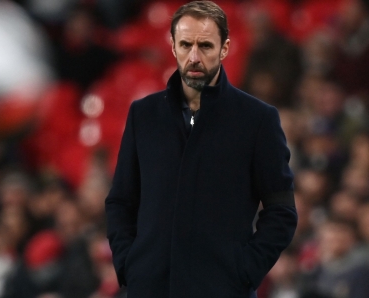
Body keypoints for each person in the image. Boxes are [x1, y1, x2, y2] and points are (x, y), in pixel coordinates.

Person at [104, 1, 298, 297]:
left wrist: (245, 271)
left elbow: (281, 210)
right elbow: (120, 201)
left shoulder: (257, 119)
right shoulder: (143, 115)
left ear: (225, 48)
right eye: (185, 45)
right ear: (173, 47)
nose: (194, 57)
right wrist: (130, 265)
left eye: (205, 46)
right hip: (150, 288)